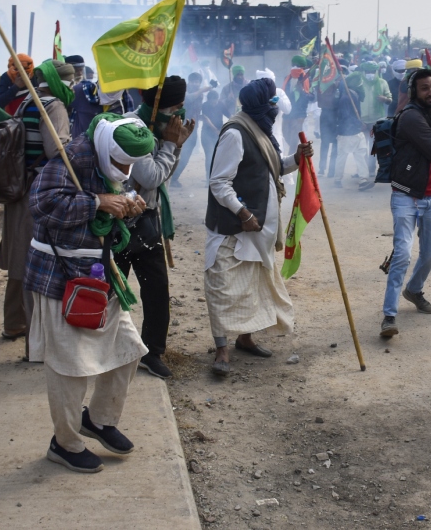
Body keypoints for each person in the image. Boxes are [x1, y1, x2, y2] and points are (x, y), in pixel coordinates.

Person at [25, 112, 155, 474]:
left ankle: (98, 419)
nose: (123, 168)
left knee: (129, 349)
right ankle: (64, 443)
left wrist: (127, 206)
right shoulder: (75, 156)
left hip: (100, 272)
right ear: (106, 146)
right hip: (60, 274)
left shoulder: (113, 164)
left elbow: (109, 210)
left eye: (130, 164)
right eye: (119, 160)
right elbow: (41, 204)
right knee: (70, 366)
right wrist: (97, 202)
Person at [204, 76, 312, 376]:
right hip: (234, 227)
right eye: (271, 104)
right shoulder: (236, 133)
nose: (275, 109)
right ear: (261, 106)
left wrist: (298, 159)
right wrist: (243, 213)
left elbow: (275, 166)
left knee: (253, 285)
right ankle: (222, 350)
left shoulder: (259, 129)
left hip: (259, 228)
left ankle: (245, 339)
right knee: (222, 286)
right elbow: (219, 182)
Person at [119, 79, 195, 379]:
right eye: (174, 108)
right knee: (115, 292)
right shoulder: (133, 128)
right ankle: (104, 349)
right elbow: (149, 176)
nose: (178, 113)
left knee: (157, 291)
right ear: (156, 106)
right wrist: (169, 144)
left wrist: (174, 147)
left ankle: (152, 352)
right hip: (122, 223)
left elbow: (164, 177)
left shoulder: (158, 129)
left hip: (148, 218)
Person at [0, 59, 73, 343]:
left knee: (18, 254)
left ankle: (13, 322)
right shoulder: (53, 105)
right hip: (37, 191)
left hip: (18, 186)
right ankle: (35, 341)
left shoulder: (28, 99)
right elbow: (57, 150)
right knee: (34, 260)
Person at [380, 69, 431, 337]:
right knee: (402, 254)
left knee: (428, 254)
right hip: (406, 194)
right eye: (425, 88)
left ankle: (414, 291)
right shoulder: (412, 117)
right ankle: (389, 316)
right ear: (414, 91)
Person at [169, 72, 211, 187]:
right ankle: (170, 178)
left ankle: (174, 178)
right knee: (178, 153)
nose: (195, 84)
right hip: (181, 127)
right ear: (189, 81)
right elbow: (188, 99)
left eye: (197, 82)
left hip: (193, 128)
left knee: (186, 155)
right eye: (193, 81)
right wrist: (202, 90)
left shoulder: (200, 95)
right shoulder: (184, 91)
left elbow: (197, 110)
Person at [357, 61, 392, 188]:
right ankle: (362, 171)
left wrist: (384, 99)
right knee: (361, 148)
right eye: (368, 72)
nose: (370, 74)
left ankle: (371, 170)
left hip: (377, 120)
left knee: (373, 148)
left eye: (373, 72)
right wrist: (359, 121)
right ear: (363, 72)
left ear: (377, 72)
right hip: (361, 121)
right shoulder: (359, 83)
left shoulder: (383, 83)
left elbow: (390, 99)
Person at [332, 73, 367, 188]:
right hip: (347, 132)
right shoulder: (347, 98)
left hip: (354, 131)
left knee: (360, 154)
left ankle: (363, 180)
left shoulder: (352, 95)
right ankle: (337, 179)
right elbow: (347, 116)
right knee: (342, 156)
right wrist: (359, 123)